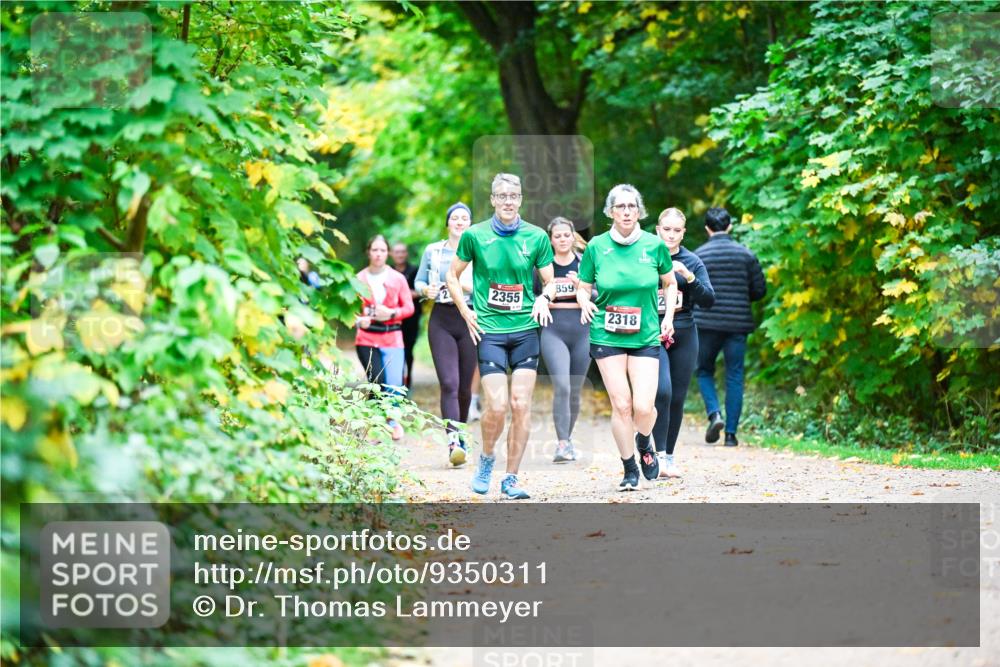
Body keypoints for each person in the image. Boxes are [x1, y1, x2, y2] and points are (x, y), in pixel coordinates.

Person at [446, 173, 555, 500]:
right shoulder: (475, 236)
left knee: (521, 405)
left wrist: (543, 298)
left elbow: (550, 282)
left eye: (514, 196)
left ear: (521, 199)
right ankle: (487, 458)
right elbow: (452, 275)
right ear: (493, 200)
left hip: (525, 331)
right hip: (490, 331)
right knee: (496, 405)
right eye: (502, 196)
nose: (508, 201)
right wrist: (466, 312)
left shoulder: (536, 237)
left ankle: (511, 478)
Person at [576, 184, 677, 491]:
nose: (626, 212)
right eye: (620, 207)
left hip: (645, 333)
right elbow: (583, 286)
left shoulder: (653, 245)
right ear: (610, 212)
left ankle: (644, 440)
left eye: (631, 206)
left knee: (644, 407)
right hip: (607, 331)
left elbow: (670, 284)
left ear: (639, 211)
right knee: (622, 405)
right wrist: (585, 301)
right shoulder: (596, 246)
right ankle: (629, 467)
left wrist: (668, 318)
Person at [693, 206, 767, 447]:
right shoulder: (746, 254)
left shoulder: (698, 256)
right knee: (735, 376)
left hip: (706, 323)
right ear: (730, 226)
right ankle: (732, 435)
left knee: (704, 371)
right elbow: (759, 291)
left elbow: (692, 292)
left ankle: (715, 414)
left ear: (707, 229)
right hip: (737, 324)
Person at [652, 208, 715, 477]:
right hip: (651, 333)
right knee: (661, 393)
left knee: (676, 398)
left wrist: (688, 276)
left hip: (685, 333)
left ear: (684, 232)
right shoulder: (646, 256)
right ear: (657, 229)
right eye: (667, 229)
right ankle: (651, 451)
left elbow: (709, 299)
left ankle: (667, 457)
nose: (671, 235)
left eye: (677, 230)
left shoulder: (692, 260)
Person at [415, 203, 476, 466]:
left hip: (470, 319)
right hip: (441, 319)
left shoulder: (479, 251)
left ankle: (461, 434)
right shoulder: (433, 251)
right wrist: (424, 290)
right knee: (449, 383)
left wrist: (458, 283)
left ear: (470, 224)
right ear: (447, 223)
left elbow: (483, 286)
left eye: (464, 218)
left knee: (464, 388)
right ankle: (453, 442)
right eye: (455, 218)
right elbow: (418, 282)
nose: (460, 222)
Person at [534, 217, 590, 463]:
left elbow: (601, 295)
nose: (563, 239)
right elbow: (533, 295)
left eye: (566, 235)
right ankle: (562, 443)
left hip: (582, 330)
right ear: (551, 240)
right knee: (562, 386)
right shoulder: (543, 267)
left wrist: (583, 288)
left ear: (573, 236)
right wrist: (544, 298)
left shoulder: (584, 264)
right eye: (557, 236)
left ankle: (568, 440)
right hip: (554, 330)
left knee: (575, 389)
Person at [355, 234, 416, 441]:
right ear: (368, 252)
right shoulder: (359, 279)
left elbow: (409, 307)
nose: (378, 254)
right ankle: (374, 425)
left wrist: (391, 313)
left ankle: (391, 421)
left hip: (392, 336)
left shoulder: (397, 278)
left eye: (382, 250)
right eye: (375, 250)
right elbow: (350, 311)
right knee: (376, 382)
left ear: (387, 253)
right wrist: (358, 320)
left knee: (394, 386)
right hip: (367, 338)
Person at [390, 243, 421, 390]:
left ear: (406, 254)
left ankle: (408, 381)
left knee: (408, 350)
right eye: (397, 252)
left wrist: (401, 295)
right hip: (392, 318)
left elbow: (420, 291)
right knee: (395, 350)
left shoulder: (415, 270)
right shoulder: (388, 271)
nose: (400, 255)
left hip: (411, 318)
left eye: (402, 252)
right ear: (391, 254)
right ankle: (396, 381)